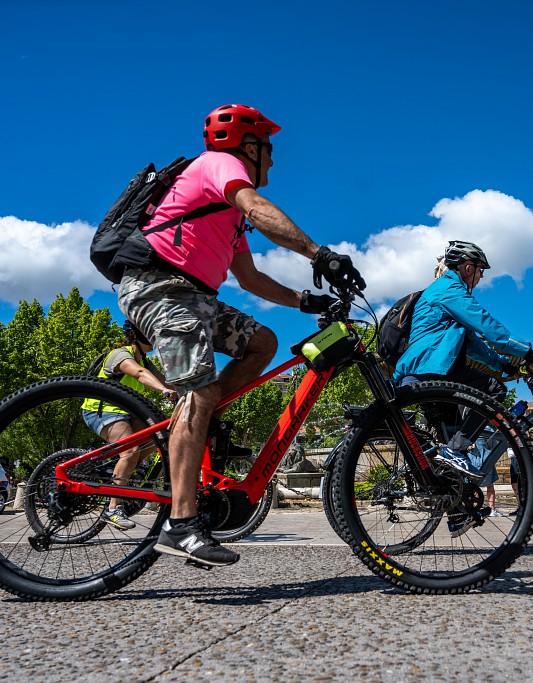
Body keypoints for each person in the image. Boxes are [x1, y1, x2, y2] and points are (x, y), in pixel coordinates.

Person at [117, 104, 365, 568]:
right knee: (200, 391)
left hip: (198, 298)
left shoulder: (228, 215)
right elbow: (257, 205)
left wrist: (306, 300)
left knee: (263, 343)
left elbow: (249, 278)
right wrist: (319, 254)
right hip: (161, 287)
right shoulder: (218, 164)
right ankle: (182, 523)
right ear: (249, 146)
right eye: (269, 151)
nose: (273, 161)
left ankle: (197, 422)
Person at [394, 240, 533, 536]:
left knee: (450, 452)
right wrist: (527, 351)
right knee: (492, 391)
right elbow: (487, 327)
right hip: (431, 369)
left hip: (428, 372)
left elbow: (475, 344)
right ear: (467, 268)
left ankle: (457, 512)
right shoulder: (449, 289)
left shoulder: (443, 294)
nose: (480, 279)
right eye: (480, 272)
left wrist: (506, 366)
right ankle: (457, 451)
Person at [81, 321, 179, 530]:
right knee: (131, 451)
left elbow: (165, 380)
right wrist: (163, 391)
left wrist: (189, 392)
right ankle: (112, 509)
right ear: (137, 335)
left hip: (124, 413)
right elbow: (140, 375)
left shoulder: (143, 359)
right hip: (101, 411)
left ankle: (123, 471)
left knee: (159, 437)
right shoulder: (120, 355)